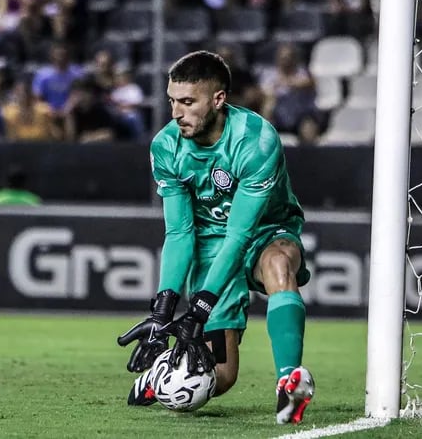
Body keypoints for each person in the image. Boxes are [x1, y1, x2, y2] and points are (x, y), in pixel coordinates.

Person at [117, 51, 315, 424]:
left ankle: (290, 382)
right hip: (209, 244)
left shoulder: (255, 140)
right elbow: (179, 232)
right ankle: (165, 375)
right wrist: (162, 310)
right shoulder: (165, 146)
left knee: (277, 263)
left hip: (264, 231)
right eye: (172, 101)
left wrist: (201, 306)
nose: (176, 113)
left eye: (188, 102)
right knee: (216, 379)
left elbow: (240, 234)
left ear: (218, 100)